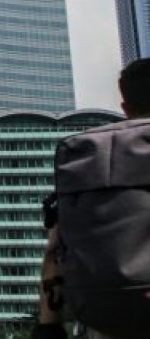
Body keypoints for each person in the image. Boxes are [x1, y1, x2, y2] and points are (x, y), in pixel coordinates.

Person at [32, 58, 150, 339]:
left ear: (125, 107)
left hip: (106, 318)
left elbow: (54, 253)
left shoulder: (84, 154)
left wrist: (49, 327)